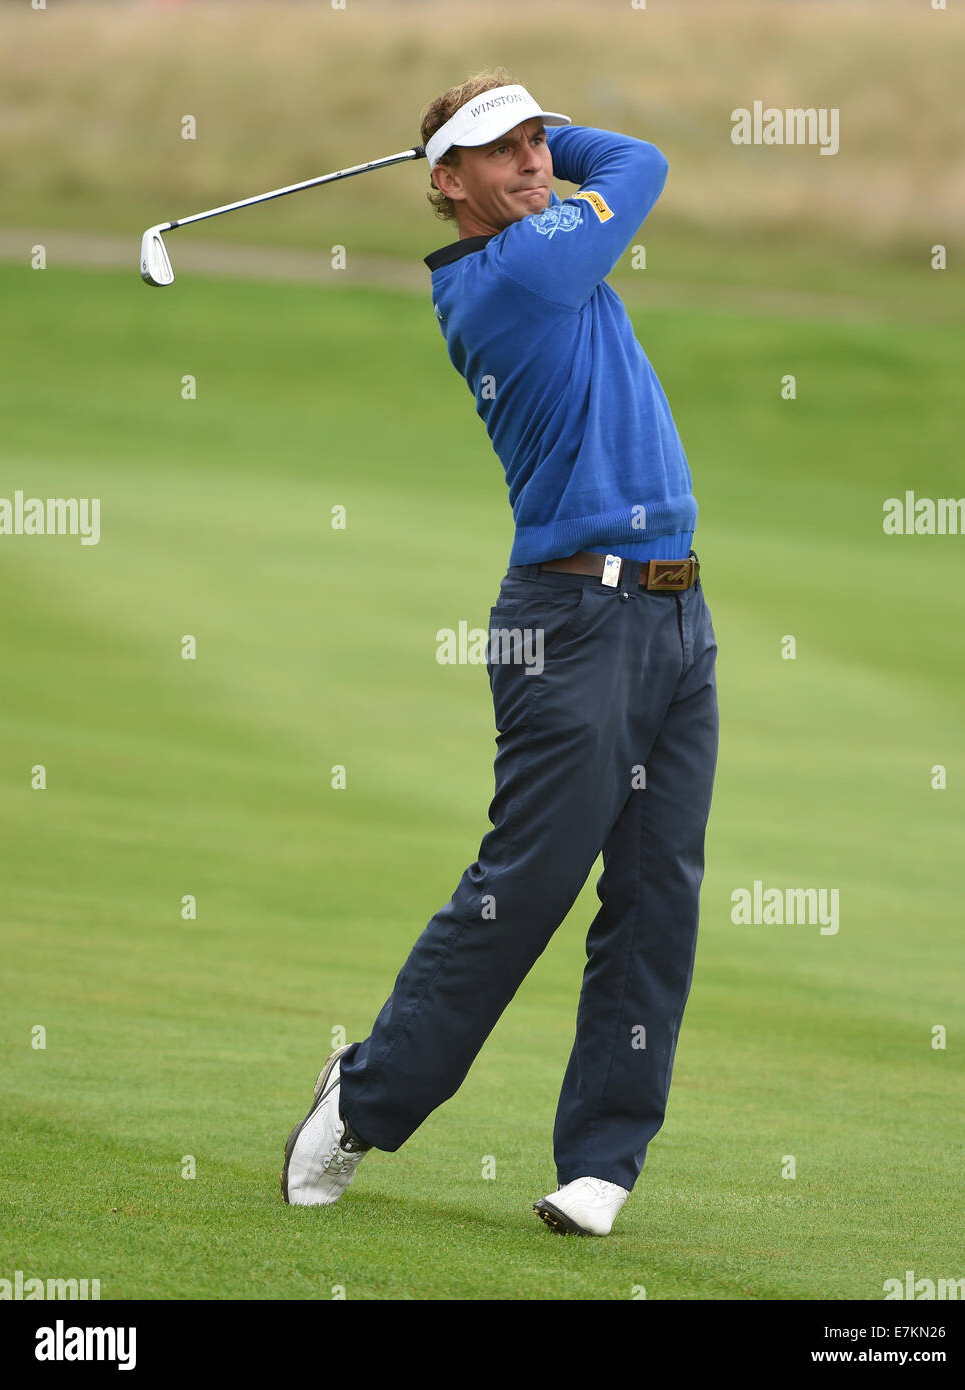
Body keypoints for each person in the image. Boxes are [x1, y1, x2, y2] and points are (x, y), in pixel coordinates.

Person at [281, 70, 719, 1237]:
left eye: (538, 141)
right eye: (501, 150)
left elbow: (612, 169)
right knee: (524, 887)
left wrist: (501, 123)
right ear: (448, 185)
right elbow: (642, 164)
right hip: (571, 621)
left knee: (656, 895)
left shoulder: (537, 244)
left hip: (678, 614)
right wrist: (549, 135)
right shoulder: (518, 274)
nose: (533, 161)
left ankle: (602, 1163)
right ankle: (363, 1098)